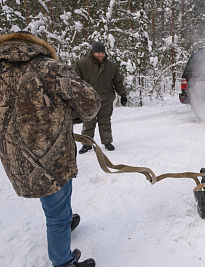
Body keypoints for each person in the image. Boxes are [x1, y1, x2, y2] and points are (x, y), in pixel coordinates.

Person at [0, 32, 101, 266]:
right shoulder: (50, 68)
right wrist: (68, 116)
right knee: (55, 211)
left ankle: (65, 223)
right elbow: (90, 102)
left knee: (56, 203)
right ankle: (63, 261)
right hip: (51, 158)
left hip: (15, 160)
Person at [74, 41, 127, 154]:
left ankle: (107, 142)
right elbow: (76, 82)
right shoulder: (82, 64)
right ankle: (86, 144)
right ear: (92, 52)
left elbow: (118, 81)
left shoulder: (111, 66)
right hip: (88, 100)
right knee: (88, 122)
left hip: (106, 99)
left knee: (105, 121)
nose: (100, 55)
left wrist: (122, 94)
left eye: (102, 53)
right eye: (98, 52)